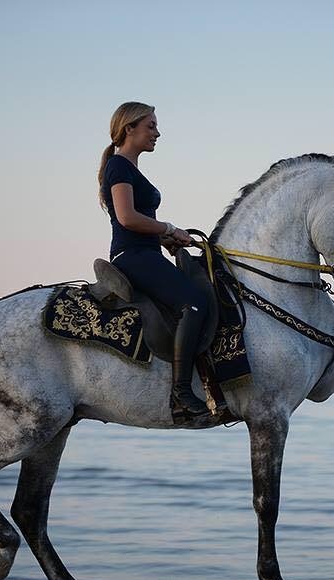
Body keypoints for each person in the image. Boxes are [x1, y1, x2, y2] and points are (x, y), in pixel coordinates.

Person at [97, 101, 210, 420]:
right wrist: (170, 228)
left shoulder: (129, 169)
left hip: (145, 250)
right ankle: (182, 392)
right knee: (195, 303)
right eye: (151, 126)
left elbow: (137, 223)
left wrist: (166, 239)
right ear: (128, 128)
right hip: (132, 257)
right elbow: (127, 218)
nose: (157, 133)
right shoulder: (119, 166)